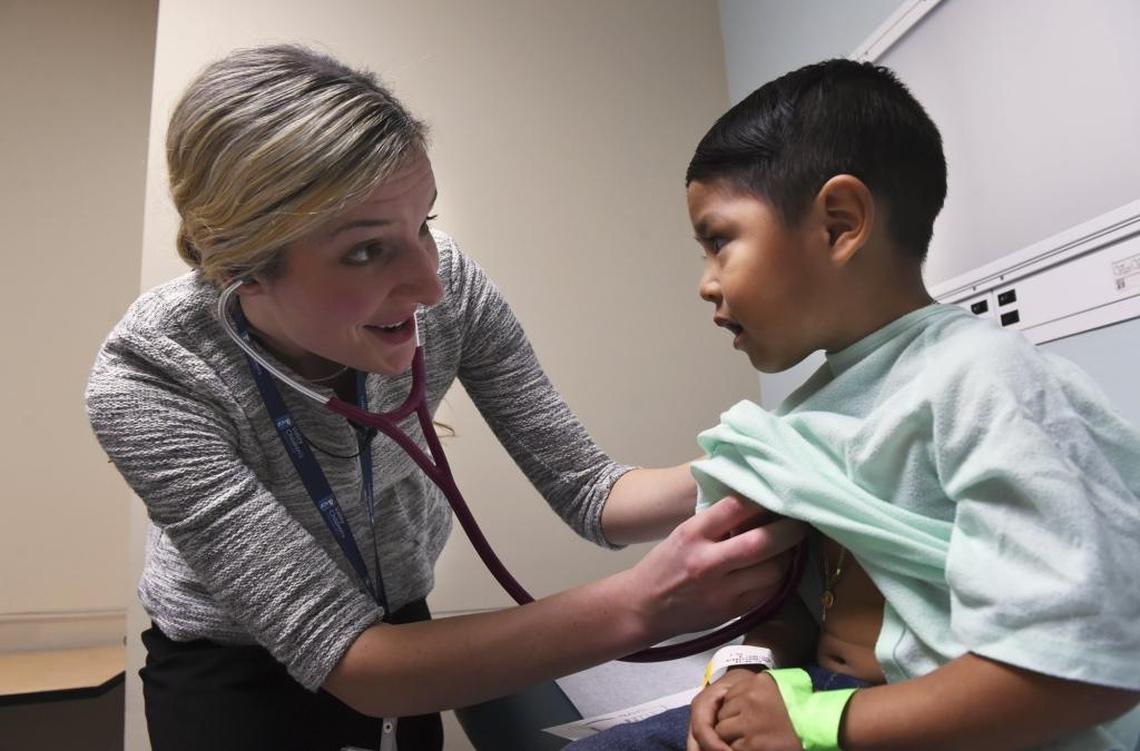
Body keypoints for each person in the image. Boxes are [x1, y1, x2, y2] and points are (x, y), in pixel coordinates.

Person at [84, 45, 804, 751]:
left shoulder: (448, 284)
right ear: (246, 269)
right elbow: (359, 666)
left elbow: (593, 492)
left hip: (402, 631)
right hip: (234, 668)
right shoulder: (151, 379)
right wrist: (649, 603)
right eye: (366, 250)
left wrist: (779, 457)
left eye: (423, 223)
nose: (428, 285)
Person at [566, 59, 1140, 751]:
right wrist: (748, 674)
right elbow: (811, 612)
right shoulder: (814, 419)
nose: (706, 284)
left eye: (719, 241)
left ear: (840, 224)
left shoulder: (988, 382)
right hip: (825, 705)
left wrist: (817, 722)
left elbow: (1087, 665)